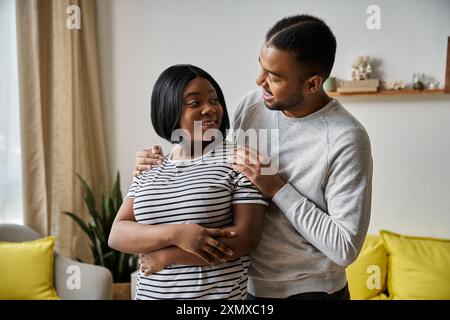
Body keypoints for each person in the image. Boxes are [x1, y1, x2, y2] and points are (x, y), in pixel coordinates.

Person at [134, 14, 373, 300]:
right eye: (262, 67)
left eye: (274, 77)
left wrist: (278, 188)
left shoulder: (346, 138)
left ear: (312, 84)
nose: (259, 81)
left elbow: (345, 247)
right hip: (248, 289)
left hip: (311, 291)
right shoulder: (252, 106)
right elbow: (221, 166)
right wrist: (155, 162)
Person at [108, 64, 268, 300]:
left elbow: (245, 240)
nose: (210, 109)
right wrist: (176, 234)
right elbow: (118, 234)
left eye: (214, 100)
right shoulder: (151, 164)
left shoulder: (239, 160)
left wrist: (167, 256)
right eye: (195, 103)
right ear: (168, 109)